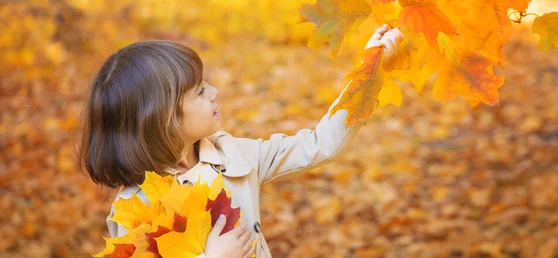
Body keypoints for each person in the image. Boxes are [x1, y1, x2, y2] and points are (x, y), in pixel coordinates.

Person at [78, 24, 403, 258]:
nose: (215, 92)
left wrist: (370, 73)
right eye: (201, 92)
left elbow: (319, 144)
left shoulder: (233, 156)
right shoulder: (136, 208)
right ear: (164, 119)